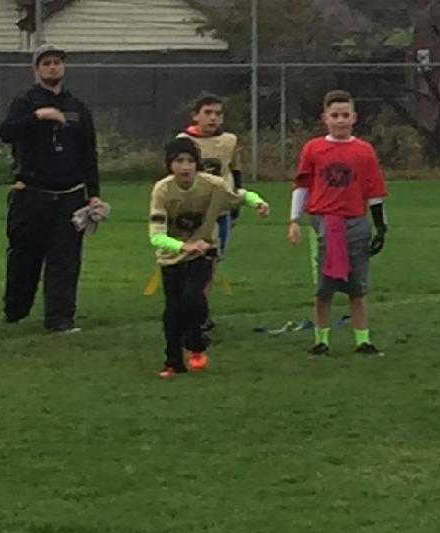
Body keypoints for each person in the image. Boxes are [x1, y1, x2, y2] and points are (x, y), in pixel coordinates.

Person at [0, 47, 106, 333]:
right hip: (31, 192)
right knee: (25, 256)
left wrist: (93, 192)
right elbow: (6, 132)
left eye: (57, 63)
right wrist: (37, 117)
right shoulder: (25, 102)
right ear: (37, 70)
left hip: (69, 194)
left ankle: (60, 319)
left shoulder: (77, 108)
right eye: (46, 63)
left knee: (65, 260)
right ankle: (15, 309)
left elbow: (88, 153)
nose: (53, 68)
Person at [146, 137, 269, 378]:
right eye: (179, 161)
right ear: (170, 164)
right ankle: (173, 362)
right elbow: (156, 236)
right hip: (172, 256)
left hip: (204, 251)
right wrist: (183, 246)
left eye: (190, 161)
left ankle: (195, 341)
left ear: (197, 163)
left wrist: (258, 203)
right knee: (173, 310)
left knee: (193, 298)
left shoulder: (213, 185)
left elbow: (240, 195)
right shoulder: (162, 190)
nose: (185, 166)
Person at [283, 91, 389, 356]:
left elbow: (374, 191)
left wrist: (380, 226)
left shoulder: (364, 151)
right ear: (324, 118)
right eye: (335, 116)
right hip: (324, 222)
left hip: (355, 221)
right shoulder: (314, 149)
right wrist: (294, 219)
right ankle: (322, 340)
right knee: (324, 288)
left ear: (354, 117)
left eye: (345, 115)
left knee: (357, 286)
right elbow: (303, 186)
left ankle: (362, 340)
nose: (340, 121)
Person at [176, 94, 245, 256]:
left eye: (218, 113)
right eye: (207, 113)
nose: (213, 117)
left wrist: (235, 204)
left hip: (220, 209)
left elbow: (235, 170)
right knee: (190, 257)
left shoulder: (229, 140)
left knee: (215, 258)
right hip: (194, 210)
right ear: (195, 116)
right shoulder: (184, 140)